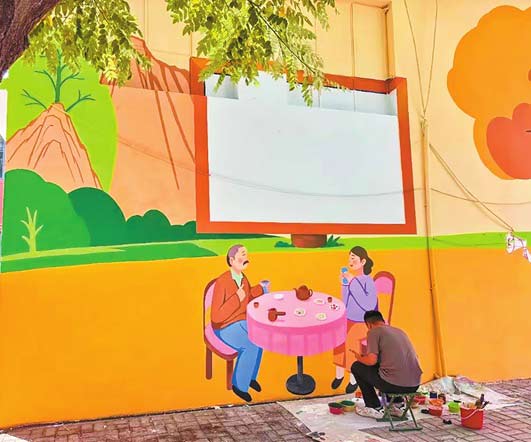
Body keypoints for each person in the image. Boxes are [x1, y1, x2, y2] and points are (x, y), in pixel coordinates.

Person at [211, 245, 265, 402]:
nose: (246, 258)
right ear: (232, 260)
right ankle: (239, 386)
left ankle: (250, 377)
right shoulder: (222, 282)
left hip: (241, 320)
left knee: (260, 337)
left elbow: (247, 296)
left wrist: (260, 288)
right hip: (224, 327)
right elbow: (216, 316)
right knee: (250, 345)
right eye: (243, 255)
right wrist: (236, 298)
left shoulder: (242, 277)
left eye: (246, 254)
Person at [351, 310, 423, 419]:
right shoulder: (400, 331)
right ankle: (397, 405)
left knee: (357, 366)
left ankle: (374, 407)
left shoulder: (373, 332)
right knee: (388, 369)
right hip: (414, 385)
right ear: (383, 321)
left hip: (393, 385)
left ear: (369, 324)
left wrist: (359, 357)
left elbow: (371, 361)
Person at [332, 246, 377, 394]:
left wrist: (352, 282)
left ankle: (353, 379)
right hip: (348, 319)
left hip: (363, 322)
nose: (350, 261)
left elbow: (368, 305)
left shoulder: (367, 281)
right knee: (338, 339)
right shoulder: (352, 281)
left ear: (363, 261)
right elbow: (345, 303)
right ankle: (339, 374)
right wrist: (345, 285)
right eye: (349, 257)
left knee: (351, 342)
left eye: (353, 258)